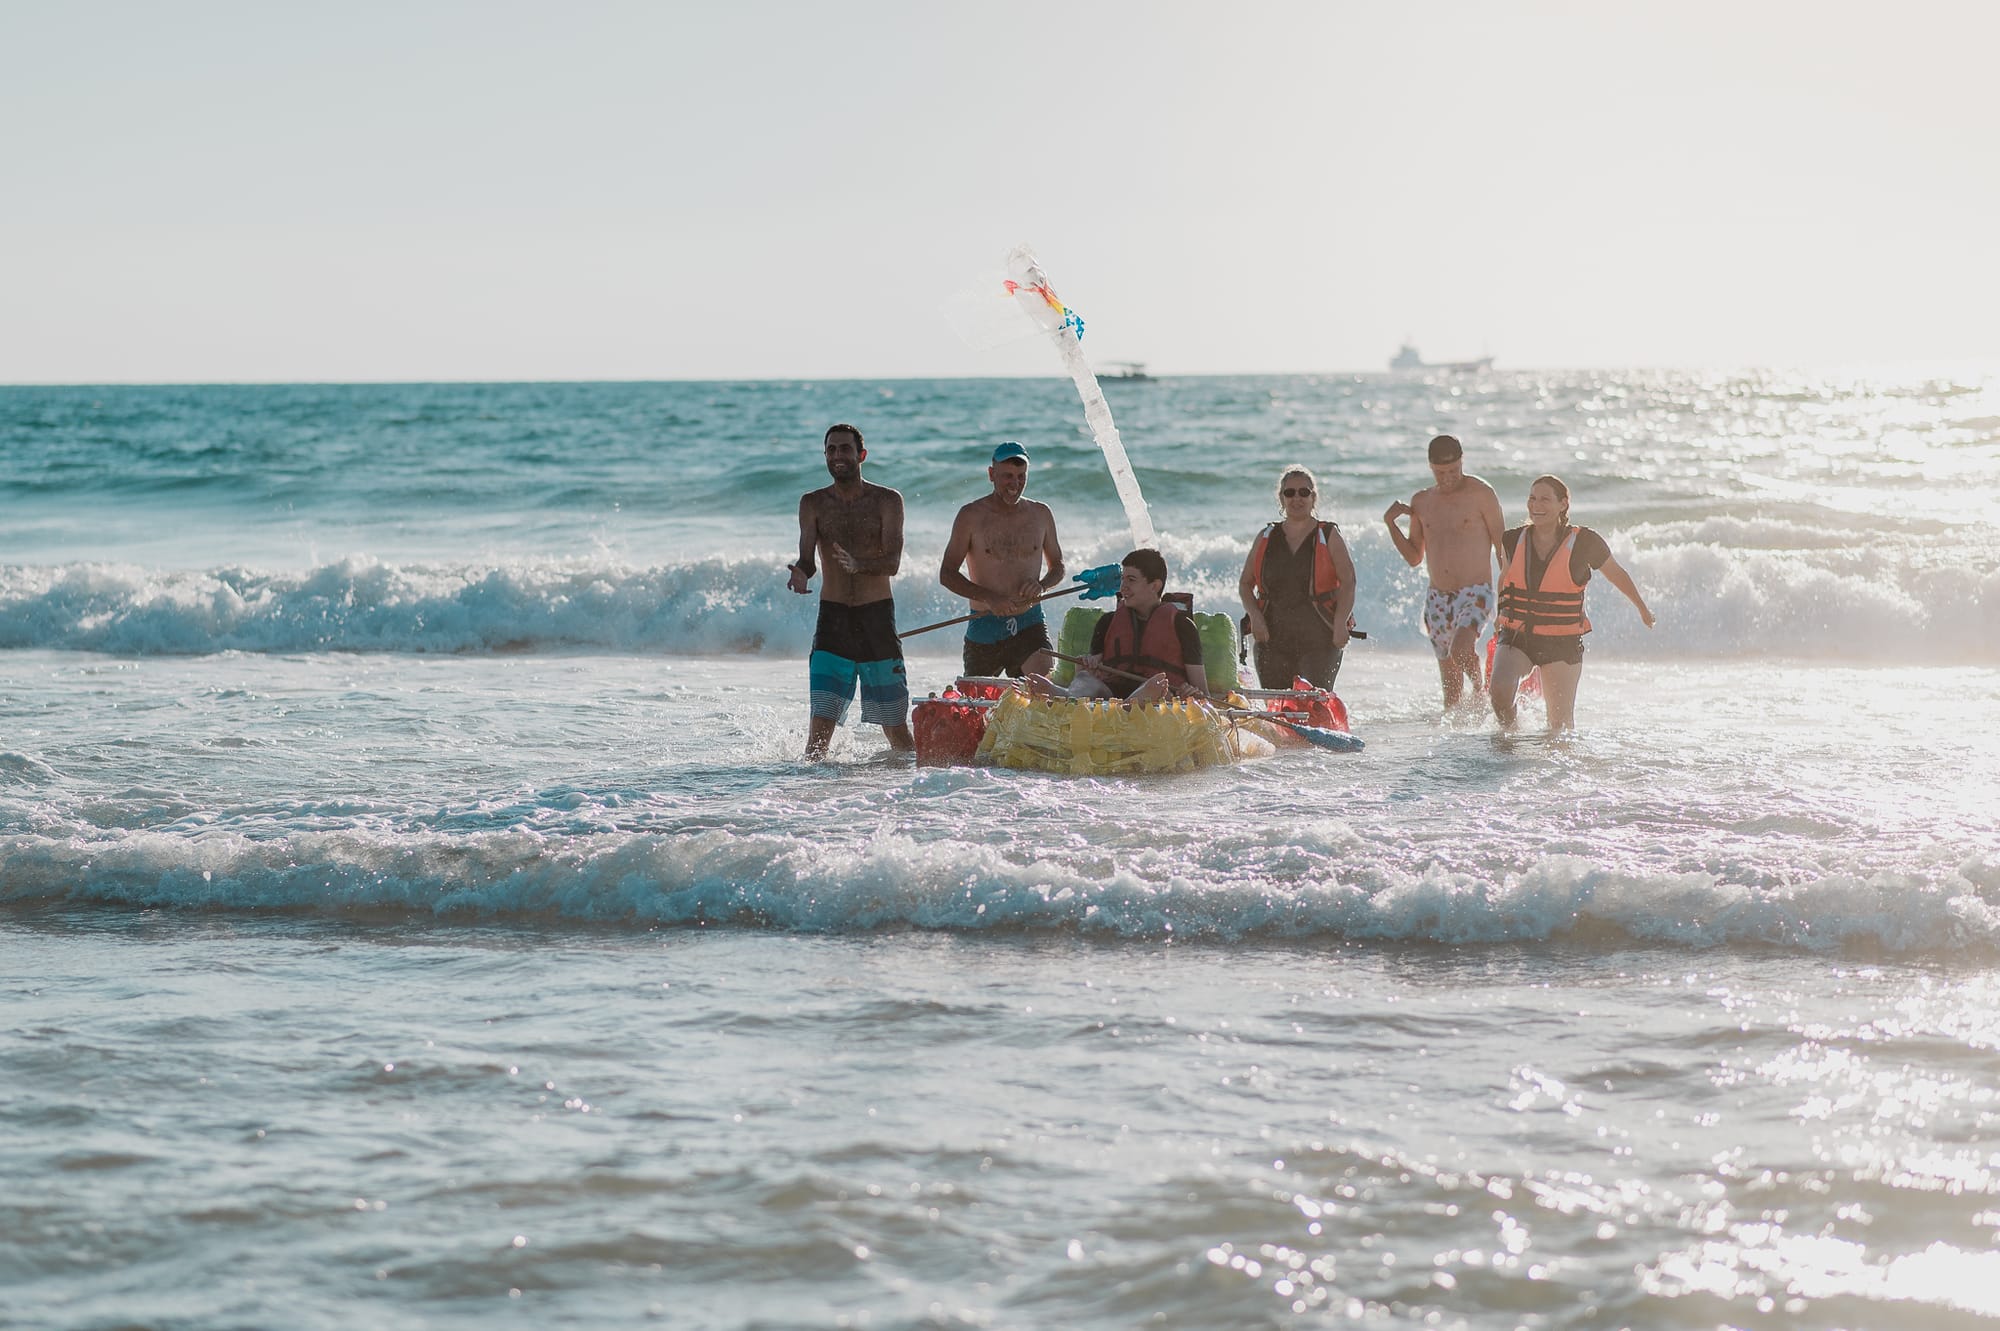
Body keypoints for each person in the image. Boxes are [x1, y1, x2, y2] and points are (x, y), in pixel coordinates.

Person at [1490, 474, 1656, 733]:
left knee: (1559, 726)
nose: (1536, 505)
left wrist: (1642, 609)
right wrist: (1499, 618)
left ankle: (1556, 771)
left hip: (1561, 641)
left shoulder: (1585, 542)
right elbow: (1505, 578)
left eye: (1545, 499)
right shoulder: (1512, 539)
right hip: (1516, 634)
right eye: (1532, 498)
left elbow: (1616, 573)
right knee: (1499, 693)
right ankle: (1510, 738)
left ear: (1563, 504)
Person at [786, 423, 913, 760]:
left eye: (845, 449)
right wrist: (801, 572)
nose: (838, 456)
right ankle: (809, 795)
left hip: (876, 617)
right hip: (834, 618)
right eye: (831, 450)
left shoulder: (887, 500)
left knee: (895, 725)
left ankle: (914, 790)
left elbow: (893, 562)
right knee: (820, 728)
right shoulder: (812, 503)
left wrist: (860, 564)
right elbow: (807, 559)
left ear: (861, 455)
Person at [1383, 434, 1506, 709]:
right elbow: (1415, 557)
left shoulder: (1481, 494)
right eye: (1441, 473)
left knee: (1462, 650)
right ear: (1430, 467)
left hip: (1477, 591)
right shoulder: (1422, 501)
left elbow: (1503, 547)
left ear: (1462, 461)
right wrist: (1391, 525)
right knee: (1450, 696)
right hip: (1437, 598)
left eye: (1454, 470)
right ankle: (1455, 746)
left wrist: (1508, 593)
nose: (1448, 477)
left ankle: (1479, 693)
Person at [938, 441, 1066, 678]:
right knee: (978, 708)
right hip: (985, 625)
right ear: (991, 474)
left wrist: (1042, 585)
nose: (1015, 484)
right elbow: (947, 574)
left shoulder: (1041, 514)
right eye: (1007, 476)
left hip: (1030, 623)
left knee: (1043, 697)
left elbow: (1058, 567)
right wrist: (989, 597)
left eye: (1021, 476)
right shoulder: (970, 516)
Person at [1027, 549, 1206, 705]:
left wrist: (1191, 693)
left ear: (1155, 585)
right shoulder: (1108, 622)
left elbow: (1202, 692)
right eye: (1122, 579)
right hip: (1111, 695)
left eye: (1131, 579)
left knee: (1158, 690)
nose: (1123, 587)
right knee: (1085, 679)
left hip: (1156, 696)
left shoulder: (1182, 626)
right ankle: (1066, 696)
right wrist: (1085, 666)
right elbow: (1092, 671)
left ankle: (1131, 706)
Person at [1237, 464, 1355, 689]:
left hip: (1320, 638)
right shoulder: (1266, 536)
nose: (1297, 498)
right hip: (1272, 639)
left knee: (1312, 703)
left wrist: (1341, 622)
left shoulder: (1328, 535)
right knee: (1279, 708)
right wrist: (1255, 617)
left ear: (1313, 497)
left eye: (1304, 492)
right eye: (1289, 492)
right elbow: (1245, 584)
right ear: (1281, 498)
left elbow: (1349, 582)